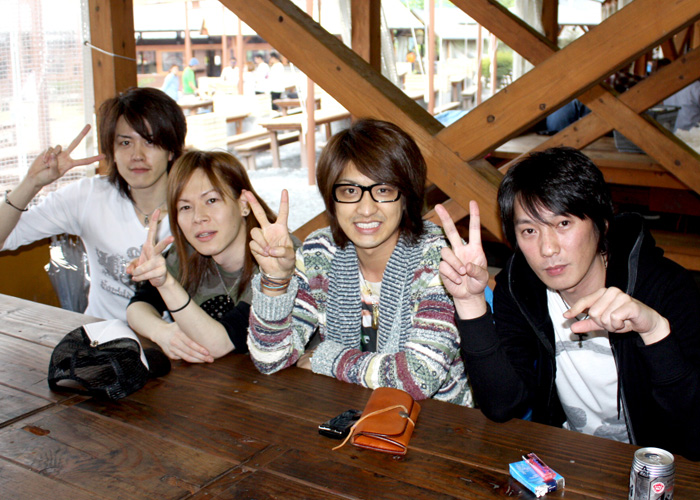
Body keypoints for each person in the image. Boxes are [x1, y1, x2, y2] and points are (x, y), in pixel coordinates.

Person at [436, 147, 700, 459]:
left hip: (652, 467)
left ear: (602, 223)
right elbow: (502, 406)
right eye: (529, 230)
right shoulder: (520, 288)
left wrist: (654, 331)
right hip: (567, 458)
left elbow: (693, 430)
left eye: (563, 224)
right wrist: (469, 302)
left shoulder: (666, 288)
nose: (547, 249)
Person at [244, 118, 472, 405]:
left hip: (439, 420)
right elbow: (270, 359)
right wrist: (275, 282)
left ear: (406, 197)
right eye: (350, 191)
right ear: (332, 199)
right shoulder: (320, 254)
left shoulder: (439, 257)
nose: (366, 209)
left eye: (383, 190)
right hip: (347, 412)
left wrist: (326, 357)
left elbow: (418, 377)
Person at [0, 87, 187, 322]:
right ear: (112, 151)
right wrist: (31, 182)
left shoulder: (196, 208)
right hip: (100, 336)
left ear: (171, 150)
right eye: (125, 143)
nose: (137, 155)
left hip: (171, 339)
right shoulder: (88, 196)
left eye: (150, 141)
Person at [126, 151, 277, 363]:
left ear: (243, 204)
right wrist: (162, 332)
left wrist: (167, 284)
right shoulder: (188, 251)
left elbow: (220, 344)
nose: (198, 217)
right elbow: (138, 306)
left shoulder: (277, 257)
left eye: (211, 200)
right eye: (186, 207)